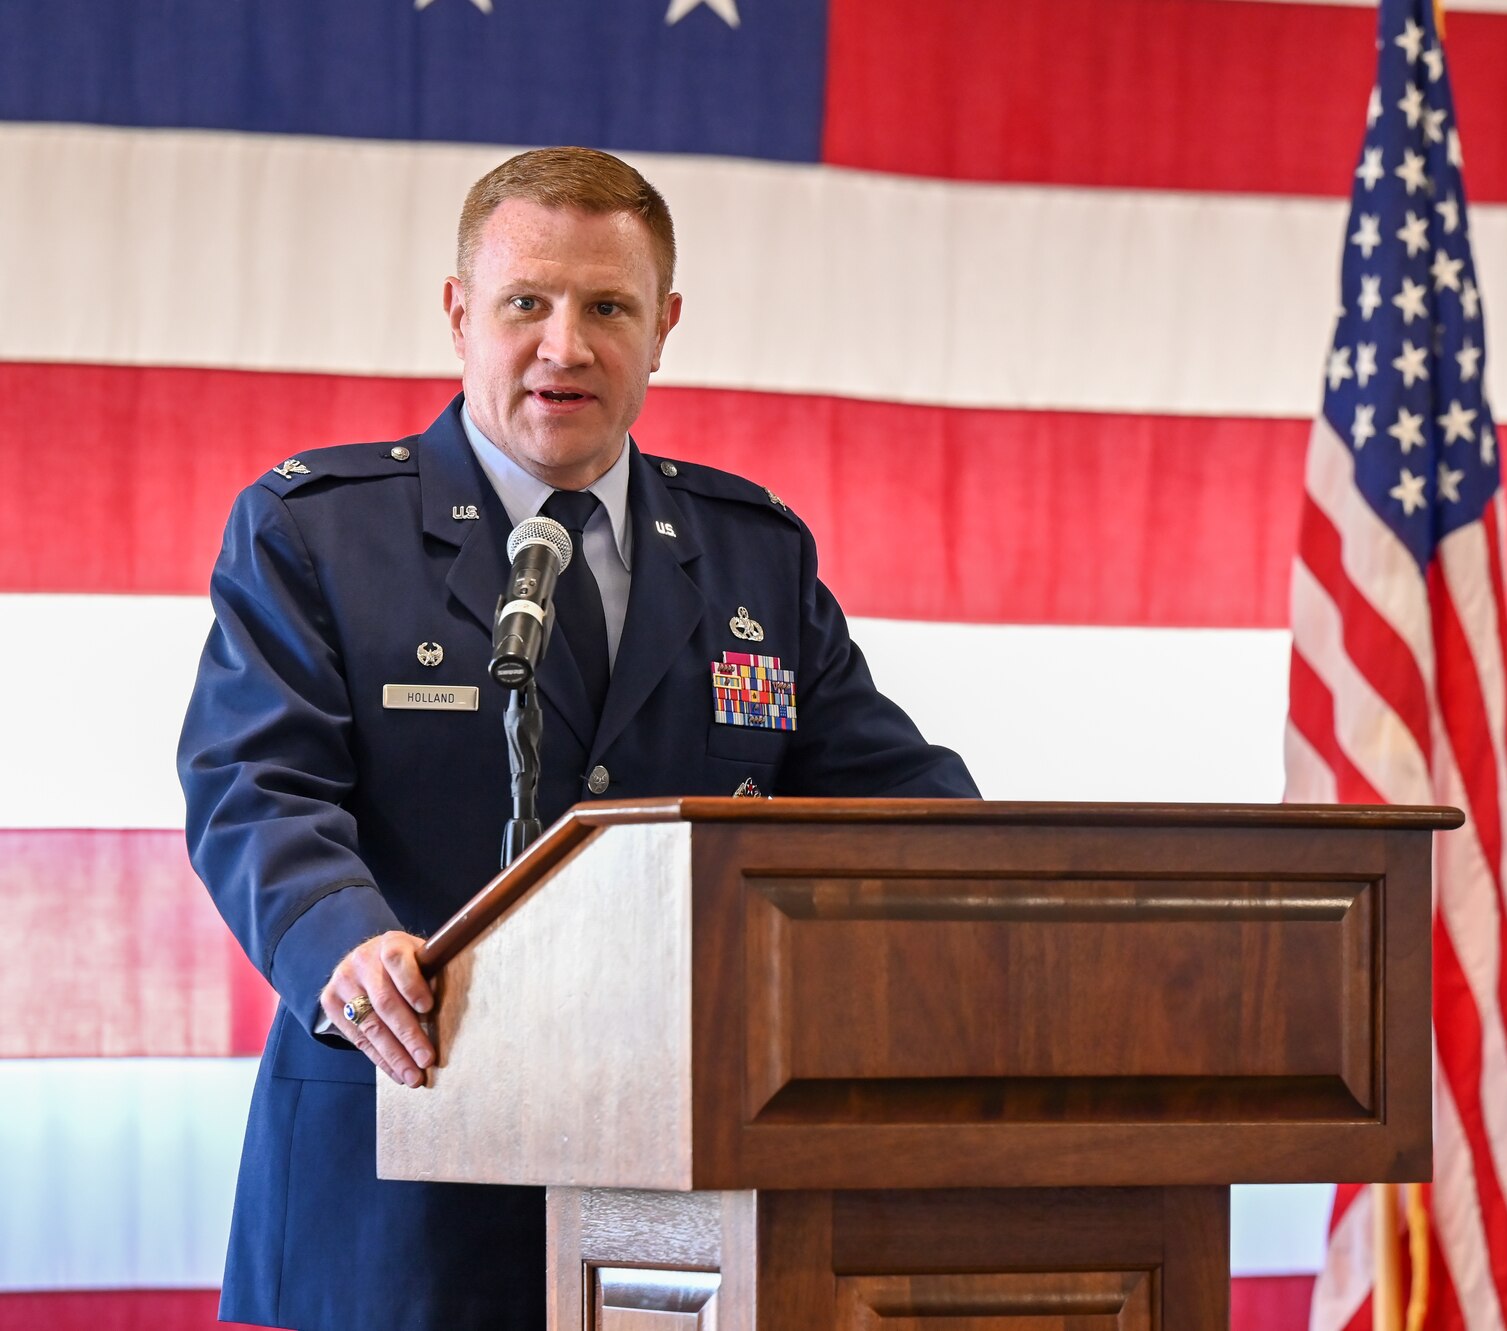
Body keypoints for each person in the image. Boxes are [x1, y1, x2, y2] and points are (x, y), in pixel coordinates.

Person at [178, 146, 977, 1331]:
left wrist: (1014, 894)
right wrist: (342, 945)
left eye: (608, 306)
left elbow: (894, 800)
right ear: (460, 315)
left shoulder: (754, 550)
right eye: (526, 304)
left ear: (663, 327)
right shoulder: (317, 534)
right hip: (399, 1156)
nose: (566, 345)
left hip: (686, 1191)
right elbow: (258, 787)